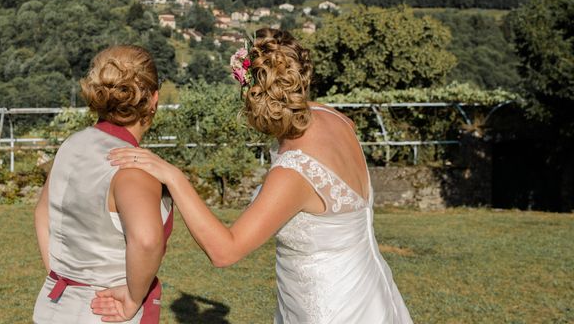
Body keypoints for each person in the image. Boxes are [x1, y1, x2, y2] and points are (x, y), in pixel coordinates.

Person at [94, 29, 413, 323]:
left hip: (328, 306)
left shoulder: (294, 172)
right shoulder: (336, 119)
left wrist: (174, 177)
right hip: (368, 288)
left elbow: (224, 251)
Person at [33, 45, 173, 324]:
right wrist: (134, 297)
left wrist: (63, 274)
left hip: (53, 306)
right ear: (154, 99)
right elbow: (146, 241)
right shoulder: (133, 166)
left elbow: (42, 214)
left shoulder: (71, 145)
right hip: (108, 312)